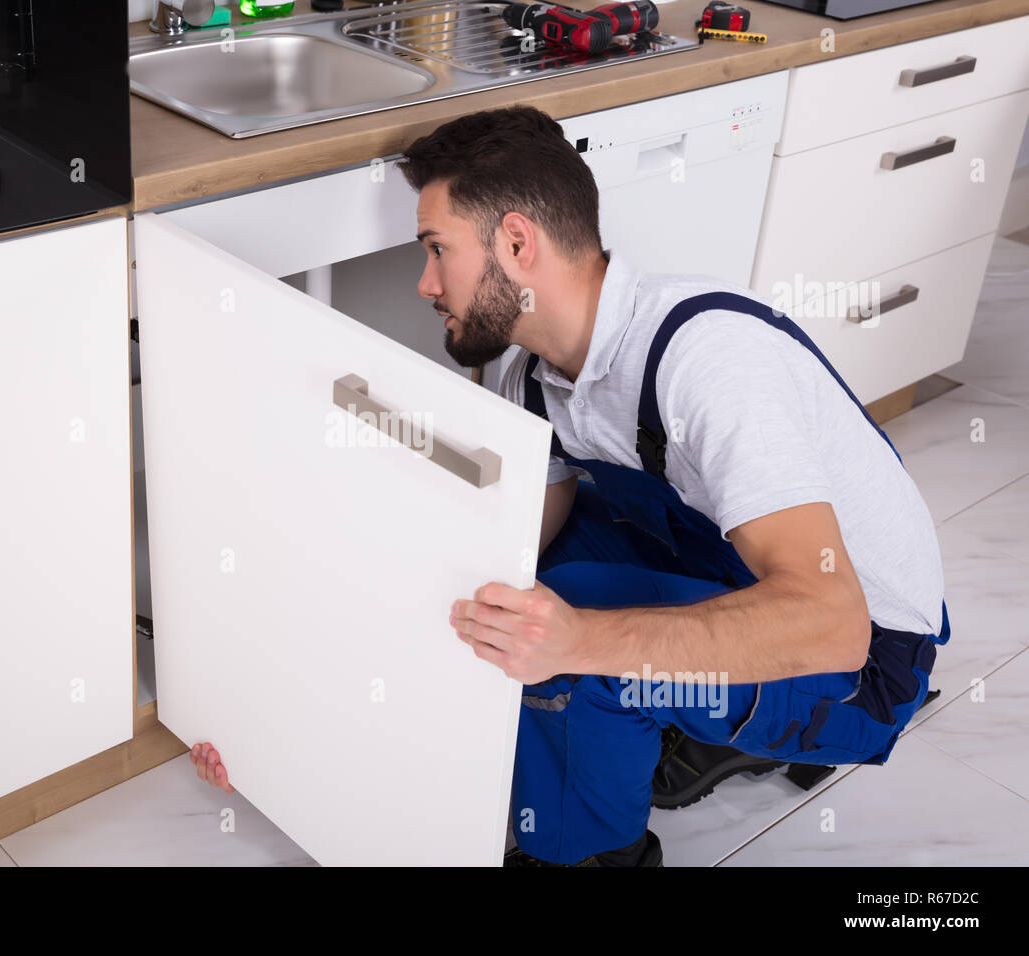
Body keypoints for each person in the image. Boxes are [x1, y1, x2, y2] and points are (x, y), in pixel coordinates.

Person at [191, 105, 950, 867]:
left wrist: (581, 640)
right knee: (514, 588)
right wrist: (279, 730)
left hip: (865, 655)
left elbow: (831, 623)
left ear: (517, 242)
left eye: (436, 250)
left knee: (573, 657)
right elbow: (476, 566)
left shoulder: (708, 364)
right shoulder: (535, 375)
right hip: (725, 562)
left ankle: (589, 856)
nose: (425, 283)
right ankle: (663, 722)